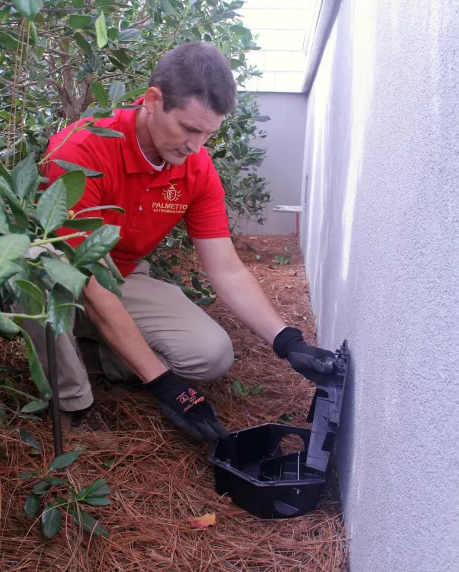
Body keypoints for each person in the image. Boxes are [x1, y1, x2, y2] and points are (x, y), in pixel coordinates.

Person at [24, 42, 336, 442]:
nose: (195, 146)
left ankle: (80, 354)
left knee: (210, 355)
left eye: (208, 133)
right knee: (32, 265)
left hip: (125, 277)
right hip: (67, 275)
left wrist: (287, 340)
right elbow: (90, 281)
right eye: (189, 129)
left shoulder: (196, 168)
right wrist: (163, 384)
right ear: (153, 100)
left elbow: (225, 267)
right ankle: (73, 404)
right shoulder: (82, 149)